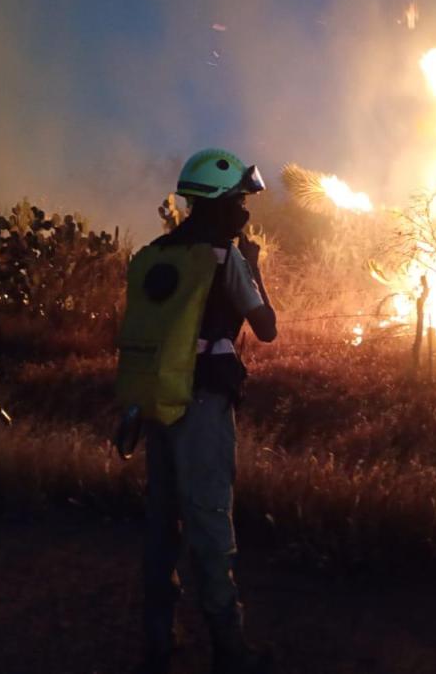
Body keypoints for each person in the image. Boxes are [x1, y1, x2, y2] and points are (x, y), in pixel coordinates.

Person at [120, 148, 278, 674]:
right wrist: (254, 269)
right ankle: (230, 651)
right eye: (238, 200)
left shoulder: (154, 255)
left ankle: (157, 639)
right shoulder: (223, 257)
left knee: (163, 523)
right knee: (210, 523)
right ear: (216, 204)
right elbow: (267, 327)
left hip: (157, 404)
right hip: (203, 406)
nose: (245, 211)